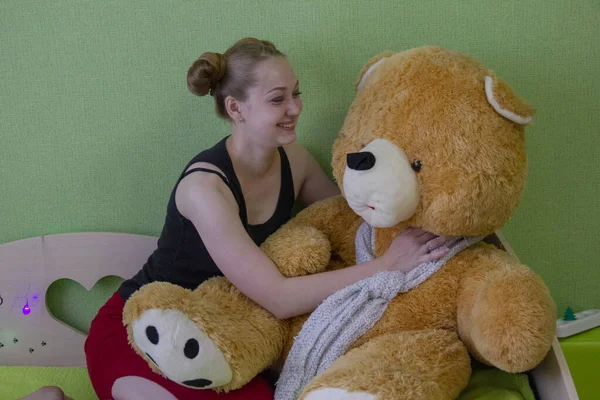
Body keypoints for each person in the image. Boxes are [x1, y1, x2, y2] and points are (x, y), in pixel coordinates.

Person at [80, 38, 450, 400]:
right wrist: (388, 265)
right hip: (145, 331)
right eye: (278, 99)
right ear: (236, 109)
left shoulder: (296, 162)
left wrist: (427, 211)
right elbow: (278, 298)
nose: (295, 108)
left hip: (226, 334)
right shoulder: (205, 190)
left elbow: (351, 226)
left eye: (296, 93)